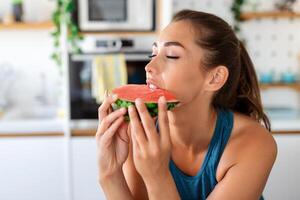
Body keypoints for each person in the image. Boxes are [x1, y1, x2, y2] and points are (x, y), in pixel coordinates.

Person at [95, 10, 277, 200]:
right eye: (153, 53)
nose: (149, 67)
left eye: (172, 55)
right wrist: (109, 174)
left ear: (215, 78)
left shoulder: (253, 143)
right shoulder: (140, 134)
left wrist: (157, 175)